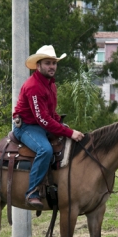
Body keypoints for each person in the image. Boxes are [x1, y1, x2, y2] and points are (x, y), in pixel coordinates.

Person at [12, 45, 85, 208]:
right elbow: (42, 119)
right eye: (47, 63)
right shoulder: (34, 87)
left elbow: (50, 113)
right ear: (38, 66)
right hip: (26, 127)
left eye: (54, 63)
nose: (52, 66)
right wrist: (69, 132)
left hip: (40, 123)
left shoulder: (50, 84)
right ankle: (32, 191)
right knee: (45, 150)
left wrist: (60, 123)